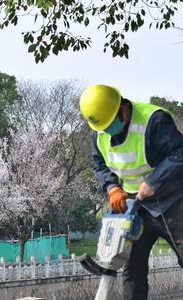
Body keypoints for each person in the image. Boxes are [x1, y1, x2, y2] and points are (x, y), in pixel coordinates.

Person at [79, 84, 183, 300]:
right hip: (135, 210)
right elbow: (100, 165)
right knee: (132, 271)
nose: (108, 130)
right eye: (103, 127)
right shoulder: (99, 132)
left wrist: (155, 181)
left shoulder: (154, 120)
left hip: (173, 202)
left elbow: (179, 152)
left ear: (123, 108)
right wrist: (112, 188)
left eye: (111, 124)